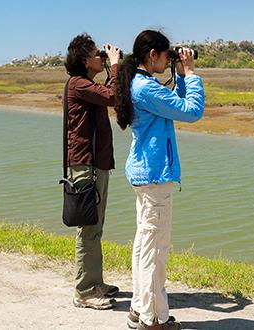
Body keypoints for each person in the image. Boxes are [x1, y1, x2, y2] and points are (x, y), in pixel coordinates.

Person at [114, 30, 205, 330]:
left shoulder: (140, 83)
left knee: (145, 243)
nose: (169, 61)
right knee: (156, 249)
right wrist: (190, 73)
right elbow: (192, 111)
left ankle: (140, 308)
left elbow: (173, 104)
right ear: (153, 55)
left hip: (145, 173)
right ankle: (153, 319)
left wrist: (179, 77)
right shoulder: (146, 88)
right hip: (155, 175)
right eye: (167, 56)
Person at [63, 33, 122, 310]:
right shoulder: (78, 84)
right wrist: (116, 64)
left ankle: (94, 282)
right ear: (86, 60)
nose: (101, 57)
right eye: (98, 54)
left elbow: (109, 94)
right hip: (85, 165)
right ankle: (84, 291)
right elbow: (112, 96)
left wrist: (112, 67)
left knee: (94, 227)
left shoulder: (86, 84)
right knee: (88, 229)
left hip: (93, 164)